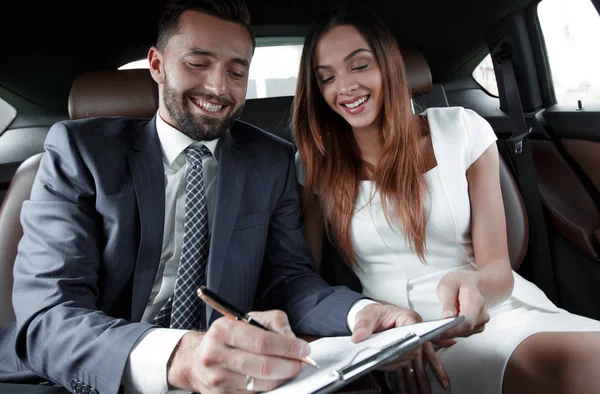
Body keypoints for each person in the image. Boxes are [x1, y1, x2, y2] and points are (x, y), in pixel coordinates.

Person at [0, 1, 447, 393]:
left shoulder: (270, 161)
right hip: (93, 375)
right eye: (197, 63)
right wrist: (176, 357)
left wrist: (366, 312)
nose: (218, 87)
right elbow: (50, 315)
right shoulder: (80, 153)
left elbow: (290, 281)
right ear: (156, 64)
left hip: (236, 378)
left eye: (236, 71)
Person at [292, 6, 600, 394]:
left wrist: (472, 284)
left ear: (388, 64)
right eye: (327, 78)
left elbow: (498, 271)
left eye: (360, 66)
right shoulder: (315, 166)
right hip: (410, 341)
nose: (345, 87)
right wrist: (373, 335)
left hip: (500, 310)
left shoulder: (462, 129)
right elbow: (305, 284)